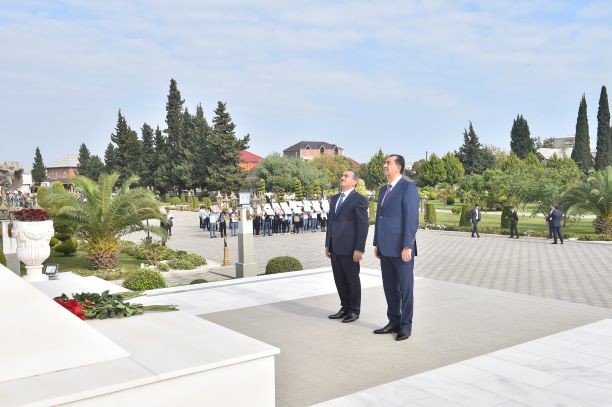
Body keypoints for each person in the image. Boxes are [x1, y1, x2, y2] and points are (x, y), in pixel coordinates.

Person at [373, 154, 419, 342]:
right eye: (385, 163)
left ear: (398, 167)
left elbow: (411, 219)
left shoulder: (408, 187)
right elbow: (379, 218)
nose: (384, 165)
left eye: (388, 163)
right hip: (385, 247)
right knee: (390, 288)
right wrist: (377, 242)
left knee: (405, 289)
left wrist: (408, 245)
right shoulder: (383, 190)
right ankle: (394, 321)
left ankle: (406, 326)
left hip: (402, 249)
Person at [325, 170, 369, 324]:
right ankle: (344, 307)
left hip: (350, 248)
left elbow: (363, 226)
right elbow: (331, 222)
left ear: (354, 182)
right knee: (339, 279)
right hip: (335, 247)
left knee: (352, 279)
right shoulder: (335, 198)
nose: (342, 177)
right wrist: (327, 244)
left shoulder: (359, 200)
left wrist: (359, 248)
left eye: (346, 176)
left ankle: (354, 310)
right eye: (342, 175)